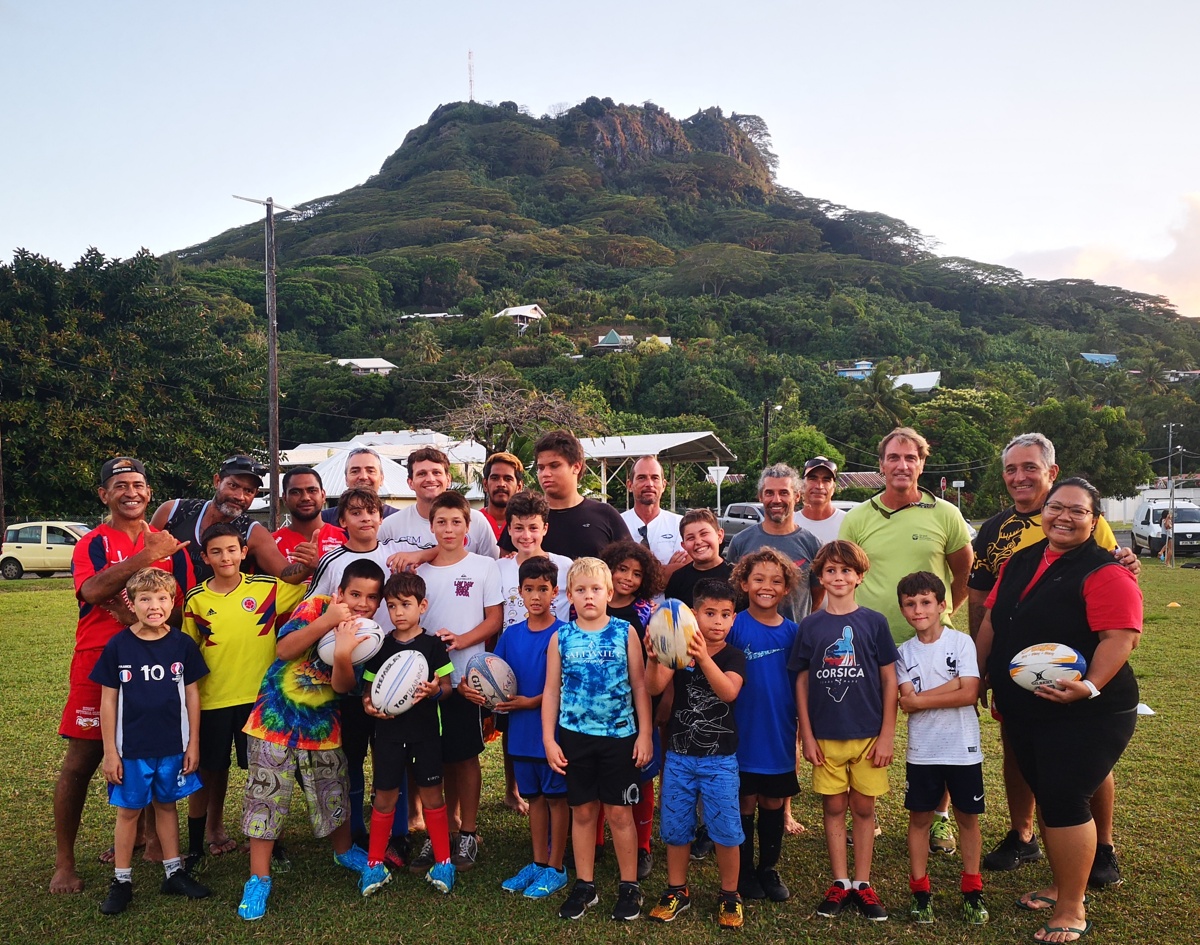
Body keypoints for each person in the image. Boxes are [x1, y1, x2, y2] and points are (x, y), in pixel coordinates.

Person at [975, 478, 1141, 944]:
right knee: (1049, 794)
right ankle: (1059, 884)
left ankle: (1072, 905)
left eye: (1077, 511)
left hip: (1089, 709)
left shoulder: (1105, 569)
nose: (1063, 517)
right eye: (1055, 508)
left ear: (1095, 520)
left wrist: (1087, 686)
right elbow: (992, 620)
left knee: (1066, 799)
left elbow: (1120, 638)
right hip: (1028, 707)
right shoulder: (1020, 561)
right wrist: (982, 674)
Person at [51, 456, 192, 895]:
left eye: (138, 484)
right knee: (82, 762)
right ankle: (64, 863)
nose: (131, 491)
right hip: (99, 661)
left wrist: (147, 619)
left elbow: (182, 608)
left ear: (149, 492)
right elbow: (91, 591)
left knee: (152, 750)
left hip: (156, 664)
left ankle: (153, 844)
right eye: (120, 485)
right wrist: (145, 558)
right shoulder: (93, 542)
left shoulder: (171, 543)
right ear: (104, 494)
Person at [839, 427, 973, 854]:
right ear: (881, 465)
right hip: (870, 644)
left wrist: (939, 615)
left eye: (910, 458)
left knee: (940, 732)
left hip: (932, 643)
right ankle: (868, 813)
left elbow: (963, 575)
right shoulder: (858, 517)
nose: (902, 465)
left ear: (922, 464)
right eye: (893, 457)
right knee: (865, 731)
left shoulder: (946, 514)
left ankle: (939, 818)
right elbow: (846, 573)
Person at [237, 559, 389, 920]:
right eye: (355, 594)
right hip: (274, 720)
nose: (362, 603)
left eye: (371, 597)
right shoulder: (315, 606)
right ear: (340, 592)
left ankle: (343, 850)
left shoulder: (371, 632)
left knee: (332, 788)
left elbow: (342, 686)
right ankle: (258, 878)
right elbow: (285, 650)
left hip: (322, 726)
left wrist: (342, 651)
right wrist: (328, 622)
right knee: (266, 795)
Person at [181, 523, 306, 869]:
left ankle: (273, 843)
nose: (225, 557)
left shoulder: (267, 588)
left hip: (261, 701)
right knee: (208, 772)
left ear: (243, 552)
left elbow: (309, 589)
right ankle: (194, 847)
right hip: (213, 701)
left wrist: (309, 563)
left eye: (232, 550)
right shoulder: (196, 599)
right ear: (205, 557)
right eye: (216, 551)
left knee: (268, 773)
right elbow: (190, 652)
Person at [790, 540, 898, 922]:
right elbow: (801, 681)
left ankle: (863, 883)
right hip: (826, 736)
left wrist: (887, 734)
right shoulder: (811, 625)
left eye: (846, 571)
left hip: (868, 735)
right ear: (820, 576)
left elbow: (889, 681)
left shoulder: (874, 622)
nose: (838, 577)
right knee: (834, 806)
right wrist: (806, 732)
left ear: (860, 576)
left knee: (864, 807)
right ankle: (840, 881)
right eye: (831, 571)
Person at [92, 568, 211, 914]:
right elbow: (108, 701)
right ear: (132, 603)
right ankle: (122, 880)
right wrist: (110, 751)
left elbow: (192, 697)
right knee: (129, 812)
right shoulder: (118, 645)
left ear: (173, 602)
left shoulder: (181, 644)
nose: (154, 605)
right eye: (145, 599)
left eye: (162, 598)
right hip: (131, 750)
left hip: (173, 745)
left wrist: (194, 744)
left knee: (167, 806)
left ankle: (173, 872)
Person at [542, 557, 654, 921]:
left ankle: (629, 886)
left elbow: (640, 685)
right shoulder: (561, 636)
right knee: (584, 812)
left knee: (620, 814)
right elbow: (551, 692)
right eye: (580, 590)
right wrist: (549, 739)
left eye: (595, 589)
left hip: (620, 737)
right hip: (575, 739)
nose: (589, 596)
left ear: (609, 592)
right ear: (569, 596)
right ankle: (585, 885)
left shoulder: (625, 632)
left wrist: (645, 734)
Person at [305, 488, 408, 856]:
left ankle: (398, 830)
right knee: (351, 755)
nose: (365, 518)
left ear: (382, 516)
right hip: (346, 665)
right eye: (356, 512)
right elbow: (314, 607)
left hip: (390, 665)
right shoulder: (332, 560)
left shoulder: (393, 558)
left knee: (392, 752)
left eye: (372, 511)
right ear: (342, 519)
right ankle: (355, 830)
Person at [643, 579, 747, 929]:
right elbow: (654, 687)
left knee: (726, 829)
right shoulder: (678, 651)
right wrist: (654, 656)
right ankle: (677, 890)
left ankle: (730, 894)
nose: (718, 621)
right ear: (694, 614)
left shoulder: (733, 655)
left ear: (733, 619)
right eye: (710, 613)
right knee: (675, 827)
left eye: (726, 615)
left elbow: (728, 691)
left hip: (720, 760)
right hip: (679, 758)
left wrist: (702, 657)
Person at [411, 491, 503, 872]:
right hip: (427, 682)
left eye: (456, 522)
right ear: (431, 526)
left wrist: (460, 641)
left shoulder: (484, 567)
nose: (448, 529)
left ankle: (468, 833)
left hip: (467, 677)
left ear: (469, 526)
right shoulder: (420, 572)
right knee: (435, 756)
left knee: (465, 757)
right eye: (441, 522)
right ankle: (441, 834)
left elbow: (494, 619)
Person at [895, 571, 988, 925]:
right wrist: (941, 691)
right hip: (923, 751)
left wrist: (921, 699)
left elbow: (968, 693)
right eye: (910, 604)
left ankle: (972, 891)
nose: (918, 610)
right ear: (903, 610)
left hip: (963, 749)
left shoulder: (962, 642)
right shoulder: (902, 653)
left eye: (925, 602)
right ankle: (920, 892)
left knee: (967, 819)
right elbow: (906, 701)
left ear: (941, 605)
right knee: (919, 820)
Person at [360, 571, 457, 894]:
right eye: (391, 606)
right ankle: (374, 864)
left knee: (432, 795)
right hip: (388, 734)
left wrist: (434, 691)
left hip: (426, 733)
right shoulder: (382, 646)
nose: (398, 612)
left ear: (422, 605)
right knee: (385, 796)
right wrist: (368, 705)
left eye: (405, 604)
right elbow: (368, 689)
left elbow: (447, 688)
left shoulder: (433, 647)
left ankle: (444, 861)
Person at [485, 557, 570, 900]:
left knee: (556, 799)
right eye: (529, 589)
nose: (536, 596)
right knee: (534, 797)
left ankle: (556, 867)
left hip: (551, 735)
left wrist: (531, 702)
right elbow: (496, 675)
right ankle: (537, 861)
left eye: (543, 589)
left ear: (555, 592)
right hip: (519, 733)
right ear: (519, 593)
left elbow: (566, 686)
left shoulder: (564, 633)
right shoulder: (510, 634)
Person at [727, 547, 801, 904]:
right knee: (745, 800)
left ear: (786, 588)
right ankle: (742, 872)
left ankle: (768, 868)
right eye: (758, 579)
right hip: (742, 731)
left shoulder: (793, 632)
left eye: (776, 580)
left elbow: (800, 685)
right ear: (744, 583)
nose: (766, 586)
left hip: (779, 730)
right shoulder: (734, 625)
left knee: (773, 801)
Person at [599, 539, 666, 880]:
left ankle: (642, 846)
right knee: (595, 774)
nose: (627, 577)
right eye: (621, 569)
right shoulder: (590, 603)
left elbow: (656, 663)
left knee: (640, 776)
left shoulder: (647, 612)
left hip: (636, 705)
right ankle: (596, 841)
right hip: (595, 708)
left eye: (636, 573)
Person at [152, 454, 314, 587]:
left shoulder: (253, 533)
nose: (239, 496)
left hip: (216, 620)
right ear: (217, 481)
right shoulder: (174, 512)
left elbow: (285, 574)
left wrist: (308, 566)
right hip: (159, 615)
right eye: (233, 485)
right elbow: (142, 554)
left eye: (248, 491)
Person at [501, 430, 631, 560]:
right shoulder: (524, 515)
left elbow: (631, 564)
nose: (545, 474)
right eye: (541, 468)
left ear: (576, 467)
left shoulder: (605, 514)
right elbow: (505, 566)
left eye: (554, 466)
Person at [725, 463, 822, 624]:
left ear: (797, 496)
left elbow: (817, 596)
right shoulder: (740, 541)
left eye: (784, 493)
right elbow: (732, 594)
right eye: (769, 493)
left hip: (795, 642)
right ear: (760, 496)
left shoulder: (812, 544)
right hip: (747, 644)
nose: (776, 500)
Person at [377, 447, 498, 558]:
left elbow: (493, 566)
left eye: (436, 472)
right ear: (410, 483)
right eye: (422, 474)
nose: (430, 479)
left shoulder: (476, 520)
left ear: (448, 479)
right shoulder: (390, 527)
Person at [498, 490, 572, 630]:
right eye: (519, 528)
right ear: (509, 529)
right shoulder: (498, 568)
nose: (526, 536)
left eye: (533, 528)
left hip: (555, 648)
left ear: (545, 528)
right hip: (514, 649)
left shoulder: (566, 566)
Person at [620, 455, 688, 577]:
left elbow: (683, 571)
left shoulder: (680, 524)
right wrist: (666, 569)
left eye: (655, 478)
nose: (649, 484)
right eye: (642, 478)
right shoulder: (617, 523)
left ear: (664, 485)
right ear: (630, 485)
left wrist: (632, 572)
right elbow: (612, 574)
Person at [272, 466, 345, 563]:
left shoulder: (346, 538)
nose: (305, 498)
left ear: (323, 495)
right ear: (285, 498)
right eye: (296, 492)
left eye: (312, 491)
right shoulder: (271, 544)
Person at [663, 509, 732, 607]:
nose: (698, 542)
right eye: (691, 538)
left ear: (719, 536)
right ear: (684, 545)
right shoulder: (678, 579)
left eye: (704, 534)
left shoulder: (736, 576)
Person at [318, 446, 401, 525]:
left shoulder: (399, 519)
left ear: (381, 479)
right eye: (355, 471)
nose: (363, 477)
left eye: (370, 471)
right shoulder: (324, 520)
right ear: (346, 479)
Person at [796, 456, 847, 546]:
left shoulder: (848, 523)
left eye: (826, 480)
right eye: (813, 479)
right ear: (802, 485)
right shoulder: (790, 523)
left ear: (834, 488)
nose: (819, 486)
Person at [481, 451, 525, 538]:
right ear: (485, 485)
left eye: (508, 479)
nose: (501, 484)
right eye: (495, 478)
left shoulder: (529, 526)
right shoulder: (472, 522)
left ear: (519, 487)